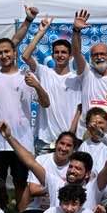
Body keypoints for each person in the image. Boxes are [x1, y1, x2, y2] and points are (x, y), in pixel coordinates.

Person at [0, 38, 50, 205]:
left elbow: (46, 103)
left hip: (22, 141)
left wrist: (37, 86)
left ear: (14, 52)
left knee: (21, 183)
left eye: (7, 51)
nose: (4, 55)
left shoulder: (27, 76)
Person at [21, 17, 82, 151]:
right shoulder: (44, 72)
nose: (60, 55)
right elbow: (25, 56)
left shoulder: (76, 79)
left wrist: (71, 133)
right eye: (57, 52)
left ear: (70, 56)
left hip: (69, 140)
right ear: (52, 55)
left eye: (64, 52)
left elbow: (79, 109)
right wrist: (41, 32)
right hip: (45, 140)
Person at [71, 8, 107, 125]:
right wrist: (76, 31)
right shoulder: (86, 72)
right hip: (87, 130)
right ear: (91, 58)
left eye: (103, 54)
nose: (99, 57)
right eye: (95, 55)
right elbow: (76, 52)